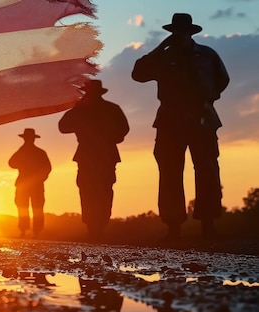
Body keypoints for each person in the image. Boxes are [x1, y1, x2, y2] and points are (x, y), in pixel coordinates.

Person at [132, 13, 229, 240]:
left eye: (184, 31)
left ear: (191, 32)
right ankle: (173, 227)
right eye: (176, 32)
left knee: (207, 171)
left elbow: (222, 79)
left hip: (202, 120)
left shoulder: (207, 55)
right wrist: (161, 47)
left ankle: (208, 225)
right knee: (170, 173)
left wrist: (208, 99)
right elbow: (138, 73)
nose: (180, 35)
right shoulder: (163, 58)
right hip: (170, 121)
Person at [58, 79, 129, 240]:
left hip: (95, 156)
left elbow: (63, 126)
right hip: (98, 156)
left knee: (95, 192)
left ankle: (96, 227)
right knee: (97, 192)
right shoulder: (110, 109)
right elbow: (63, 127)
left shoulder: (106, 109)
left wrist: (78, 107)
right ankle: (96, 227)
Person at [8, 128, 51, 238]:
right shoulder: (37, 152)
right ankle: (27, 230)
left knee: (34, 207)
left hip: (28, 184)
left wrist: (41, 178)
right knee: (25, 207)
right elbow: (11, 163)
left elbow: (47, 168)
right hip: (28, 184)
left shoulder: (32, 152)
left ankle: (34, 231)